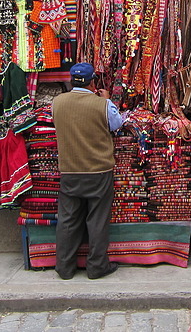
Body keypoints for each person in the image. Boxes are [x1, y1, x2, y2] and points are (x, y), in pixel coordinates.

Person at [52, 62, 123, 280]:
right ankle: (97, 267)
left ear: (72, 81)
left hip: (70, 170)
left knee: (68, 219)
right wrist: (106, 99)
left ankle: (64, 267)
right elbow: (116, 124)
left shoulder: (57, 103)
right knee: (97, 220)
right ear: (93, 82)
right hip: (98, 171)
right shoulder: (102, 104)